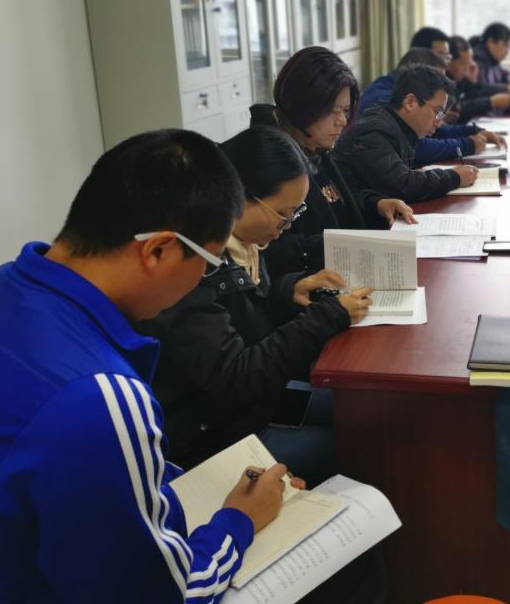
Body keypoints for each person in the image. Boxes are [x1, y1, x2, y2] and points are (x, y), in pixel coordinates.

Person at [0, 129, 296, 602]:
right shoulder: (101, 398)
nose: (203, 278)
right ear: (159, 250)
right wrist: (239, 521)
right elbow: (167, 593)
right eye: (209, 261)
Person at [134, 126, 375, 487]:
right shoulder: (190, 263)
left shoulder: (244, 244)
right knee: (358, 445)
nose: (287, 226)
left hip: (257, 405)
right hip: (214, 439)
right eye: (283, 214)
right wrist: (328, 316)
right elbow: (236, 376)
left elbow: (241, 317)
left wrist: (286, 291)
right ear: (239, 196)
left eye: (296, 213)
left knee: (367, 410)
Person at [251, 46, 415, 278]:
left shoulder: (313, 144)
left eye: (345, 111)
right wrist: (338, 244)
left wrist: (376, 204)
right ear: (300, 106)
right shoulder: (267, 159)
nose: (342, 121)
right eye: (331, 111)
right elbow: (269, 252)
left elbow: (335, 201)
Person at [334, 64, 479, 202]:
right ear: (410, 102)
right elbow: (403, 186)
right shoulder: (374, 130)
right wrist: (455, 177)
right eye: (437, 112)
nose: (439, 122)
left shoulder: (399, 126)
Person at [357, 47, 505, 165]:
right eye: (436, 79)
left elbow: (438, 130)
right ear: (419, 75)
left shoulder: (402, 92)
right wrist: (468, 145)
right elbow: (417, 148)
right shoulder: (382, 100)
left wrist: (474, 131)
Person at [446, 34, 510, 122]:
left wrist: (473, 82)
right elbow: (456, 109)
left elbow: (470, 98)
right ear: (448, 62)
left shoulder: (460, 77)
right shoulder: (443, 82)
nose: (467, 68)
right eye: (463, 63)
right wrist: (491, 102)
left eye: (469, 62)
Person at [470, 22, 510, 97]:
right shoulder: (477, 59)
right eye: (505, 46)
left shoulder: (491, 58)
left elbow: (504, 73)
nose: (507, 52)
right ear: (491, 42)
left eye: (509, 48)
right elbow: (481, 88)